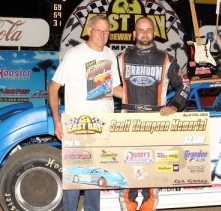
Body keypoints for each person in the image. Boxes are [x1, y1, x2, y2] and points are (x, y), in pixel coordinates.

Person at [48, 15, 122, 211]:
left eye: (106, 31)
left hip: (103, 127)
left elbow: (114, 89)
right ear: (89, 31)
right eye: (98, 30)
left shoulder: (109, 55)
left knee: (96, 179)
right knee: (74, 180)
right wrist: (57, 120)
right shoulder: (75, 54)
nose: (102, 35)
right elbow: (53, 87)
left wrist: (145, 93)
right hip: (78, 128)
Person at [117, 16, 190, 211]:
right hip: (127, 124)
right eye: (141, 30)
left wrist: (175, 105)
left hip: (156, 123)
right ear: (134, 33)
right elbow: (105, 87)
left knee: (151, 170)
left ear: (154, 33)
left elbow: (185, 85)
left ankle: (149, 207)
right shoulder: (121, 58)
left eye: (149, 29)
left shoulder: (166, 59)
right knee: (128, 170)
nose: (145, 33)